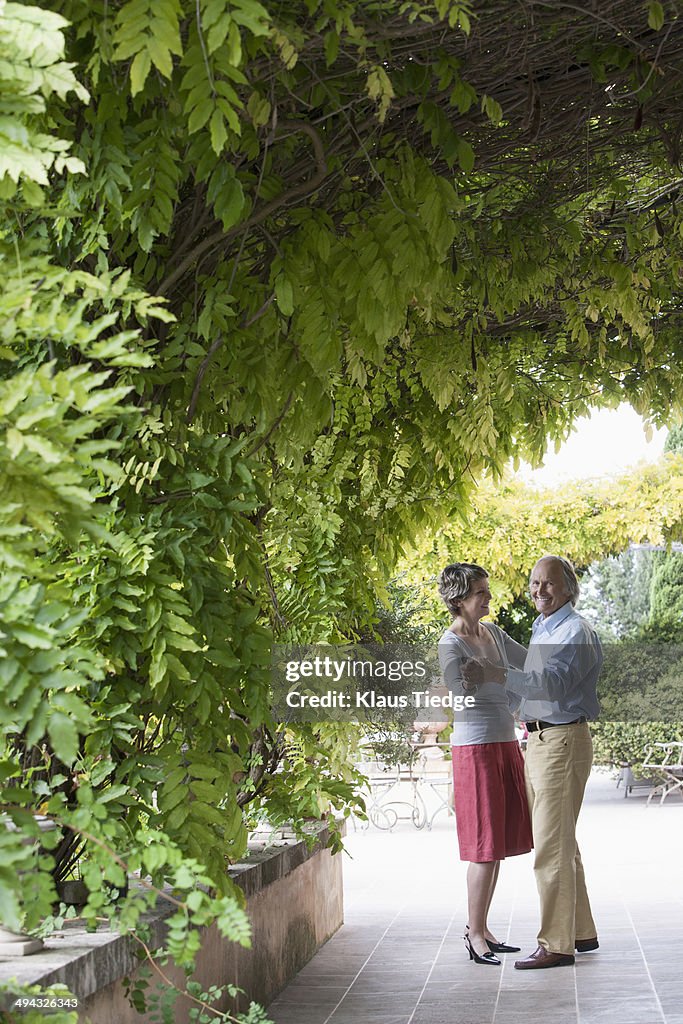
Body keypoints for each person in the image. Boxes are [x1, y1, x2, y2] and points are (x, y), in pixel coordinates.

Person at [463, 555, 602, 970]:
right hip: (542, 739)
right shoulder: (547, 626)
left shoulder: (574, 631)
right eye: (535, 582)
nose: (540, 590)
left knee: (551, 848)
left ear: (568, 588)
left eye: (549, 583)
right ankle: (580, 931)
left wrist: (497, 674)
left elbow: (552, 686)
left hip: (561, 741)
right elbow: (529, 681)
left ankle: (557, 945)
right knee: (562, 842)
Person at [437, 562, 533, 967]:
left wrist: (495, 674)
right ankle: (474, 933)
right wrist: (495, 676)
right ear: (459, 599)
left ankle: (484, 928)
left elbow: (527, 663)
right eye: (481, 592)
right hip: (475, 749)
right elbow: (459, 687)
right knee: (483, 847)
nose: (489, 597)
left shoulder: (492, 633)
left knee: (496, 847)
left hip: (505, 742)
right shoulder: (450, 642)